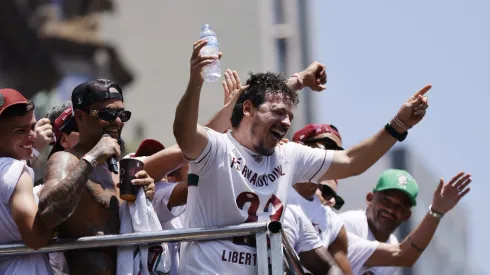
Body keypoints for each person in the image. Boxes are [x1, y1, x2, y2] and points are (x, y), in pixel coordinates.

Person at [173, 38, 430, 274]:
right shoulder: (217, 147)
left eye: (290, 117)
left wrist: (398, 125)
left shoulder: (288, 155)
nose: (286, 122)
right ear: (248, 108)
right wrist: (196, 82)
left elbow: (352, 162)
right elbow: (184, 134)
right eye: (278, 112)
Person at [38, 79, 156, 275]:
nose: (117, 121)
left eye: (122, 114)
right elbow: (48, 213)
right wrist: (92, 158)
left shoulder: (120, 168)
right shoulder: (65, 160)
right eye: (107, 114)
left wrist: (146, 197)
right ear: (80, 117)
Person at [0, 88, 78, 274]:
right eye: (21, 131)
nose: (33, 136)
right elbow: (35, 238)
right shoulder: (18, 172)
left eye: (32, 127)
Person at [340, 169, 471, 274]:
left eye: (399, 206)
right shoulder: (349, 224)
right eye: (386, 201)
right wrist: (436, 211)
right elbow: (404, 255)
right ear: (370, 198)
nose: (391, 210)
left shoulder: (393, 243)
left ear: (407, 216)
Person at [289, 124, 352, 274]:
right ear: (300, 146)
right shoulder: (271, 188)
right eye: (326, 147)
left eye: (336, 152)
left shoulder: (334, 223)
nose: (331, 156)